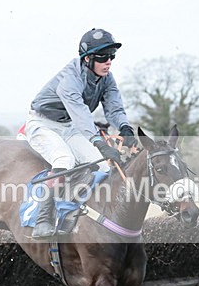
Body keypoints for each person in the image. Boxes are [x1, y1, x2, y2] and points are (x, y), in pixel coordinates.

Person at [24, 28, 137, 238]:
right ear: (87, 59)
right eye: (103, 57)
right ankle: (43, 218)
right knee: (64, 159)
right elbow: (81, 115)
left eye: (112, 56)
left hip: (69, 127)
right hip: (43, 124)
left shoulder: (107, 79)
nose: (109, 61)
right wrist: (99, 141)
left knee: (104, 166)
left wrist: (125, 128)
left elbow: (114, 108)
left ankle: (88, 216)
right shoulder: (70, 79)